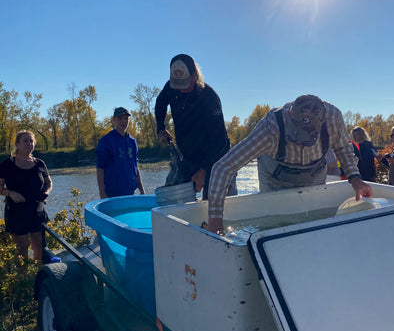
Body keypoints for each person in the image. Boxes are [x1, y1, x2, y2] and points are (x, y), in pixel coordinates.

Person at [207, 94, 372, 234]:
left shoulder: (333, 119)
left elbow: (343, 148)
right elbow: (223, 168)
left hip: (314, 174)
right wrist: (215, 221)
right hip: (274, 178)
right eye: (297, 136)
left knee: (313, 224)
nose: (302, 145)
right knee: (273, 224)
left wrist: (355, 178)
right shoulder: (270, 129)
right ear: (287, 115)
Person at [155, 53, 236, 199]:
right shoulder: (171, 87)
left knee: (215, 205)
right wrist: (160, 128)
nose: (180, 89)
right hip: (188, 156)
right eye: (177, 85)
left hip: (218, 157)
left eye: (184, 84)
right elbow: (160, 103)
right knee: (172, 200)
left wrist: (204, 170)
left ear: (194, 76)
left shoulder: (209, 97)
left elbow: (219, 141)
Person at [0, 130, 52, 269]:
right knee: (22, 249)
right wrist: (10, 193)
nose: (29, 143)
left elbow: (49, 183)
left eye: (31, 141)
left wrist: (45, 194)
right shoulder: (7, 164)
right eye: (25, 141)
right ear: (17, 144)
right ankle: (23, 281)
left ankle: (39, 279)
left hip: (36, 210)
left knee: (39, 248)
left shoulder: (39, 163)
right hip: (17, 212)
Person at [95, 107, 145, 199]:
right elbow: (100, 169)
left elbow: (135, 166)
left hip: (130, 193)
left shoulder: (132, 142)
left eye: (126, 118)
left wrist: (142, 190)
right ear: (114, 120)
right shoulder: (106, 141)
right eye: (120, 118)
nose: (123, 121)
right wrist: (102, 194)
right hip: (112, 195)